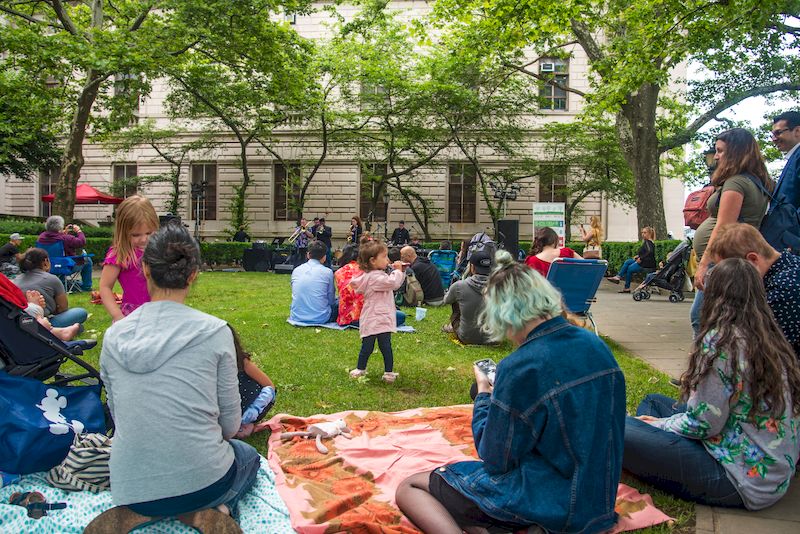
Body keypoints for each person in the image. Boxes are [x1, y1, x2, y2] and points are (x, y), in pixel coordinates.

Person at [396, 251, 626, 533]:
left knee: (410, 486)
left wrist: (483, 395)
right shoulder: (595, 345)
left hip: (550, 500)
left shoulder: (521, 366)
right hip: (596, 501)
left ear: (501, 313)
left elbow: (495, 459)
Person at [92, 222, 258, 533]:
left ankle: (152, 511)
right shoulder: (216, 332)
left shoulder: (115, 336)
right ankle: (205, 509)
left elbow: (118, 414)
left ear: (144, 269)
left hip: (130, 487)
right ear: (193, 274)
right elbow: (230, 426)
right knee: (247, 455)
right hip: (205, 482)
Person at [623, 258, 800, 510]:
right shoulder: (768, 335)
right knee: (653, 402)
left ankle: (647, 455)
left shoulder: (721, 342)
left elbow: (704, 424)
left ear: (714, 294)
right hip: (768, 469)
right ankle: (651, 453)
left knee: (619, 426)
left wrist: (659, 425)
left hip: (737, 479)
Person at [692, 128, 773, 335]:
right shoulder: (758, 181)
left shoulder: (736, 182)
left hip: (722, 261)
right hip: (735, 260)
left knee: (701, 317)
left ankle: (706, 365)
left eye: (720, 151)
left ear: (735, 152)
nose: (716, 156)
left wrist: (704, 265)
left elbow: (723, 227)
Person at [706, 223, 800, 358]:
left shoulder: (784, 291)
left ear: (752, 259)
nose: (726, 280)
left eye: (729, 272)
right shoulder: (791, 265)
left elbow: (766, 353)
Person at [348, 239, 407, 383]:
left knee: (368, 345)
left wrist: (397, 271)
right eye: (384, 257)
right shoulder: (376, 277)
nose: (387, 260)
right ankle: (387, 372)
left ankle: (362, 368)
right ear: (373, 261)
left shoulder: (371, 275)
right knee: (385, 346)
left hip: (372, 317)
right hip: (379, 317)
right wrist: (398, 271)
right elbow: (393, 283)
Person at [99, 195, 159, 322]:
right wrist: (117, 315)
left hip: (160, 312)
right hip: (133, 315)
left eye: (149, 233)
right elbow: (105, 287)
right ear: (123, 231)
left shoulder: (160, 249)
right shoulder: (120, 254)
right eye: (136, 235)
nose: (144, 239)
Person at [13, 248, 88, 328]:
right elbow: (63, 308)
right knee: (81, 312)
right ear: (45, 262)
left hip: (21, 322)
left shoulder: (15, 280)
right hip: (44, 323)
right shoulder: (52, 279)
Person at [335, 244, 405, 327]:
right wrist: (399, 271)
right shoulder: (368, 271)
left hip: (345, 318)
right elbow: (392, 283)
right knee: (401, 316)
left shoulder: (339, 272)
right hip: (367, 316)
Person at [229, 326, 276, 439]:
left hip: (250, 405)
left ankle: (245, 423)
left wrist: (254, 410)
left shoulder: (242, 362)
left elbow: (269, 386)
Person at [441, 250, 493, 345]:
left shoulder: (459, 286)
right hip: (494, 338)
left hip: (467, 337)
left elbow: (446, 300)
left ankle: (452, 327)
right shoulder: (502, 286)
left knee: (456, 299)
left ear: (472, 267)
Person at [37, 215, 93, 291]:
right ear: (60, 227)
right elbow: (81, 242)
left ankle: (66, 283)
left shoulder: (41, 237)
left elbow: (53, 236)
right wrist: (79, 231)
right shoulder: (65, 238)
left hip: (46, 267)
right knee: (87, 260)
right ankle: (86, 286)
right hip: (63, 267)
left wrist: (62, 233)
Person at [289, 240, 337, 324]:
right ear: (324, 257)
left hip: (296, 316)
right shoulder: (327, 272)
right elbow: (331, 299)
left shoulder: (296, 270)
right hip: (321, 317)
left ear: (308, 254)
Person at [607, 226, 656, 292]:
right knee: (628, 262)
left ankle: (626, 287)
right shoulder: (647, 242)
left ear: (649, 234)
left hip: (646, 264)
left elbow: (650, 252)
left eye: (645, 233)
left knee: (629, 269)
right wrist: (638, 256)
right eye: (642, 233)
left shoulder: (648, 242)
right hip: (643, 261)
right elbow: (646, 252)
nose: (643, 234)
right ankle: (618, 277)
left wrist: (641, 258)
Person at [771, 111, 800, 210]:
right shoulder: (794, 157)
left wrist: (793, 224)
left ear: (797, 131)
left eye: (778, 133)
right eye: (772, 135)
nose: (774, 139)